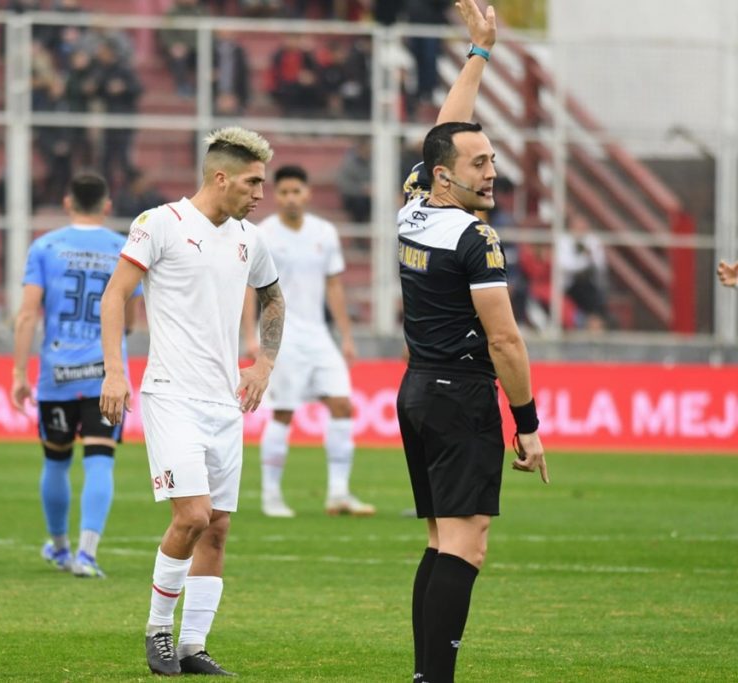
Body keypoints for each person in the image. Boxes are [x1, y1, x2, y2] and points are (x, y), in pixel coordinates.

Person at [395, 3, 548, 682]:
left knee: (439, 542)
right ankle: (436, 678)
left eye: (492, 158)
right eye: (480, 162)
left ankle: (427, 675)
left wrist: (478, 54)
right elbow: (507, 340)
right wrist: (529, 423)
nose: (492, 170)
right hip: (460, 397)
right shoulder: (474, 237)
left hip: (417, 391)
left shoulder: (414, 209)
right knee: (467, 545)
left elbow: (442, 132)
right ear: (446, 175)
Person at [99, 128, 284, 676]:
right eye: (253, 182)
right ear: (220, 177)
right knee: (193, 516)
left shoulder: (251, 237)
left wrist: (265, 363)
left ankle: (192, 646)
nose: (260, 193)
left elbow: (273, 295)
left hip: (224, 401)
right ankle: (158, 630)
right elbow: (116, 295)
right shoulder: (160, 224)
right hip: (170, 395)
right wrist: (116, 371)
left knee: (218, 526)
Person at [10, 172, 141, 579]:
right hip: (106, 374)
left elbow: (29, 313)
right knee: (100, 457)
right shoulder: (123, 247)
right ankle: (87, 553)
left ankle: (60, 547)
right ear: (106, 205)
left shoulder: (45, 246)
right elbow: (131, 318)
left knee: (56, 460)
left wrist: (19, 372)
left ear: (68, 203)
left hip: (57, 373)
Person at [240, 164, 374, 518]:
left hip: (318, 335)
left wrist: (345, 336)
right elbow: (250, 288)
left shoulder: (324, 233)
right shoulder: (263, 234)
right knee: (283, 412)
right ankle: (271, 496)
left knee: (342, 405)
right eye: (283, 192)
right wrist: (250, 337)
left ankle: (339, 494)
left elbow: (334, 286)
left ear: (307, 194)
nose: (290, 198)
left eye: (296, 191)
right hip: (279, 336)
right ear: (276, 195)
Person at [556, 213, 610, 331]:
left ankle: (595, 329)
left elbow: (600, 264)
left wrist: (587, 258)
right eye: (578, 225)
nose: (581, 228)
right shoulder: (564, 241)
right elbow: (566, 265)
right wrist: (585, 259)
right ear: (571, 226)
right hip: (569, 286)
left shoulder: (593, 240)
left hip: (590, 285)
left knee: (596, 300)